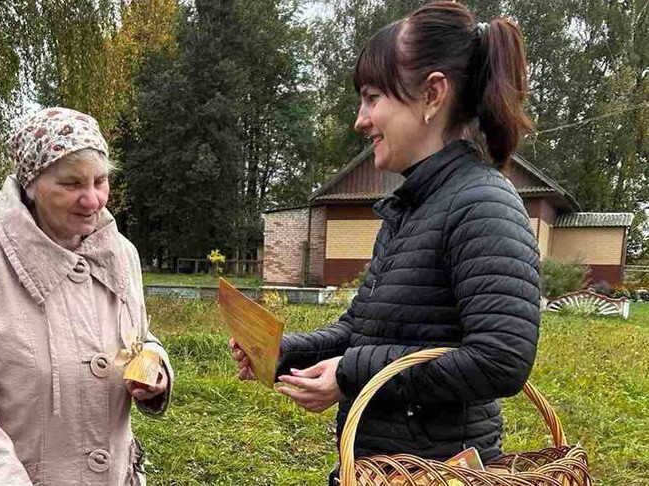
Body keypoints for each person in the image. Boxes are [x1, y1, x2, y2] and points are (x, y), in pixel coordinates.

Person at [230, 2, 540, 483]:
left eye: (373, 97)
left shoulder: (482, 204)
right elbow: (363, 330)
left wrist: (351, 372)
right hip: (380, 468)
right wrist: (282, 351)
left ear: (433, 95)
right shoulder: (412, 207)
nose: (361, 119)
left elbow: (501, 360)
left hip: (438, 473)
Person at [0, 107, 172, 486]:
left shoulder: (121, 252)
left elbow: (140, 338)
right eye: (71, 184)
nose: (93, 200)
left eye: (100, 181)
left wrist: (154, 369)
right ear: (31, 185)